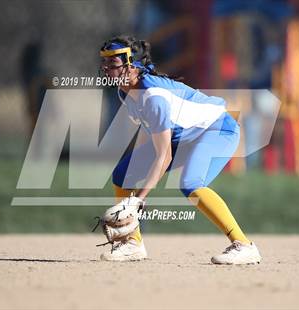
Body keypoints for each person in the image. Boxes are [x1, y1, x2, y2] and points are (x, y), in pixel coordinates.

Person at [98, 35, 261, 265]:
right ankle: (132, 244)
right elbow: (154, 138)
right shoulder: (125, 91)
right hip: (183, 137)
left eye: (113, 63)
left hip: (217, 129)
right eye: (104, 63)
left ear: (132, 66)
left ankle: (243, 245)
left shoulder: (153, 97)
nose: (106, 69)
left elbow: (164, 155)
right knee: (124, 175)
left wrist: (139, 200)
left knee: (190, 183)